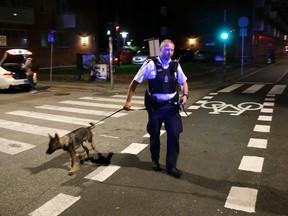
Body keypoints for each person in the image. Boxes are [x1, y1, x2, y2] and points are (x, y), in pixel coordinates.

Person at [123, 39, 189, 178]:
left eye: (172, 50)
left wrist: (185, 95)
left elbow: (184, 82)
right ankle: (155, 160)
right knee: (154, 134)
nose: (170, 52)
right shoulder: (150, 64)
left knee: (174, 134)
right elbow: (134, 83)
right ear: (161, 49)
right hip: (155, 107)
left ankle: (171, 166)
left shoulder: (175, 66)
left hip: (171, 107)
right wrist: (128, 101)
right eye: (167, 49)